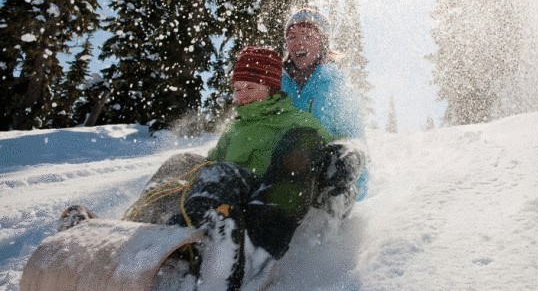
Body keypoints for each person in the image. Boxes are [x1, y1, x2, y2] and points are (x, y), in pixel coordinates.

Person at [120, 46, 364, 289]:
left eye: (251, 88)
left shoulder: (298, 122)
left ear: (270, 88)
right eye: (238, 89)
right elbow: (210, 164)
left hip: (265, 205)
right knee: (182, 162)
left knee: (229, 172)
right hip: (224, 203)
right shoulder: (235, 128)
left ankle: (233, 262)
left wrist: (346, 156)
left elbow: (334, 150)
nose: (243, 95)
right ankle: (135, 234)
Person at [282, 8, 370, 211]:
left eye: (307, 35)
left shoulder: (337, 87)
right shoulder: (279, 86)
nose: (298, 43)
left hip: (323, 176)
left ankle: (330, 222)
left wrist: (358, 190)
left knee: (342, 152)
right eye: (292, 37)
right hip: (287, 174)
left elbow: (355, 143)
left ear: (322, 43)